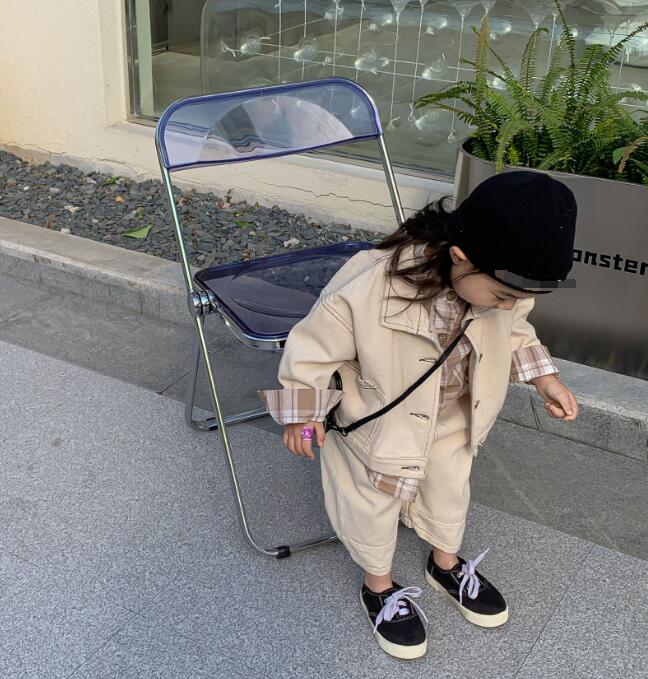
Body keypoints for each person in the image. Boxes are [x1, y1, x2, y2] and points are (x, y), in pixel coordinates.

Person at [258, 170, 580, 660]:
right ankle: (379, 586)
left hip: (454, 413)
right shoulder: (372, 282)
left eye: (519, 297)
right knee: (372, 503)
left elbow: (516, 330)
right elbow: (314, 346)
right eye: (501, 296)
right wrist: (303, 412)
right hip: (377, 419)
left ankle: (445, 564)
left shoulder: (504, 284)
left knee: (450, 488)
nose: (509, 305)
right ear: (460, 257)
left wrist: (544, 378)